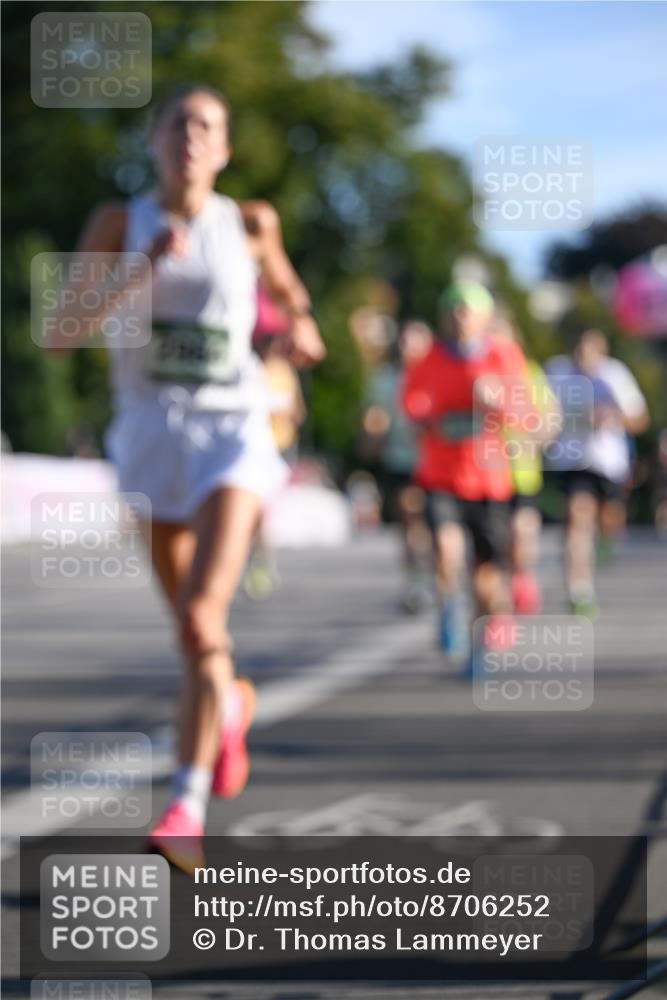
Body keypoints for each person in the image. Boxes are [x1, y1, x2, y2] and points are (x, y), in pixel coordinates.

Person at [47, 83, 325, 871]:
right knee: (192, 639)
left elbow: (290, 295)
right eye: (177, 126)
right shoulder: (117, 221)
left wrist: (301, 327)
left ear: (226, 149)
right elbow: (61, 335)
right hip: (147, 440)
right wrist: (137, 271)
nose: (191, 139)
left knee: (205, 619)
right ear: (153, 143)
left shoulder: (250, 222)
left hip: (231, 435)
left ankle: (184, 806)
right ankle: (229, 702)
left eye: (207, 127)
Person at [401, 281, 531, 671]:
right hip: (441, 474)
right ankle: (448, 605)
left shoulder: (504, 355)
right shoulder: (430, 357)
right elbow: (412, 404)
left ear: (485, 317)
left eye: (468, 310)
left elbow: (526, 416)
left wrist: (497, 401)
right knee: (446, 548)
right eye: (454, 310)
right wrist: (429, 417)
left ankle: (477, 645)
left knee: (486, 577)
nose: (460, 318)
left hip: (489, 480)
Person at [545, 328, 648, 618]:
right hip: (571, 461)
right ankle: (580, 590)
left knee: (609, 518)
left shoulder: (614, 375)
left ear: (602, 352)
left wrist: (611, 415)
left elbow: (640, 418)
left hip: (608, 463)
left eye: (592, 351)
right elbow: (539, 409)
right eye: (580, 350)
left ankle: (607, 538)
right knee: (577, 518)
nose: (585, 357)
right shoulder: (557, 372)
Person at [489, 307, 561, 614]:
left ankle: (521, 574)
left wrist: (534, 438)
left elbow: (551, 419)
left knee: (521, 535)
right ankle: (499, 608)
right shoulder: (478, 373)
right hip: (486, 476)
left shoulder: (529, 372)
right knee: (494, 547)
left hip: (522, 473)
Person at [360, 319, 434, 613]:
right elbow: (374, 417)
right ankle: (416, 581)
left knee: (432, 529)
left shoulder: (438, 375)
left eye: (415, 341)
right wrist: (372, 433)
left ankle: (437, 579)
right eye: (404, 341)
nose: (408, 348)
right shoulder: (385, 378)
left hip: (439, 465)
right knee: (410, 521)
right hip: (401, 461)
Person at [243, 283, 306, 599]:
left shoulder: (285, 371)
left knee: (265, 512)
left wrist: (282, 413)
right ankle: (252, 556)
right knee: (251, 510)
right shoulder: (246, 368)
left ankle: (262, 559)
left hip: (279, 448)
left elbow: (298, 412)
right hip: (250, 447)